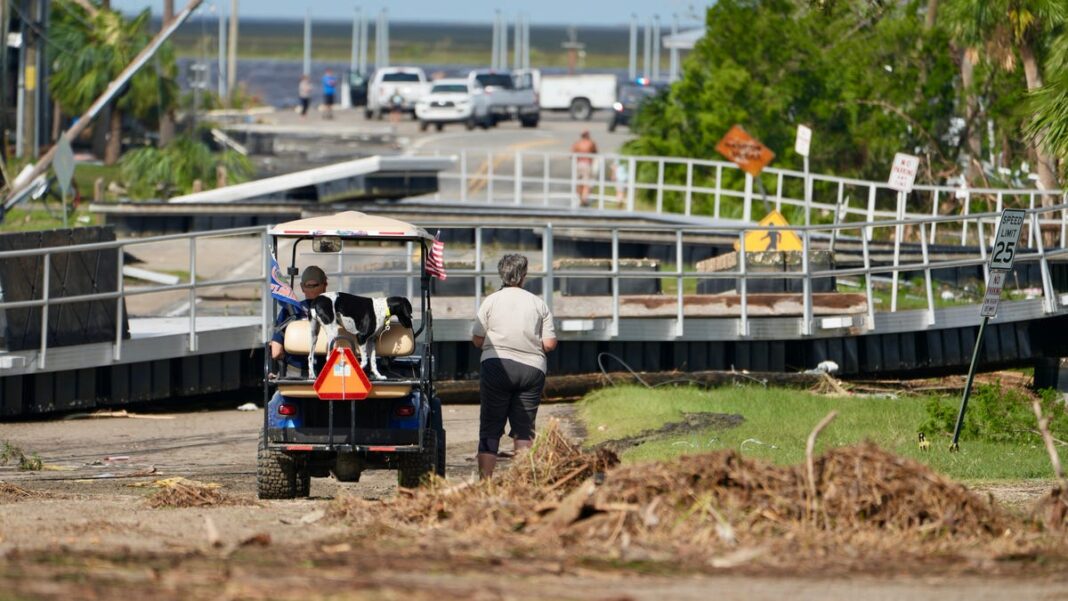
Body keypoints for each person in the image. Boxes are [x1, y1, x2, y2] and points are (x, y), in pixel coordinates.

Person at [471, 254, 557, 479]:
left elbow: (477, 340)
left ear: (501, 274)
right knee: (524, 429)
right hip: (532, 370)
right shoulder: (538, 303)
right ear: (524, 276)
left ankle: (485, 484)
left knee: (490, 427)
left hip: (496, 367)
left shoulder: (491, 300)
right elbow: (549, 344)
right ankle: (522, 482)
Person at [269, 265, 328, 377]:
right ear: (325, 286)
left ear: (302, 287)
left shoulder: (290, 311)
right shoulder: (336, 310)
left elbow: (275, 352)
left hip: (296, 379)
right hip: (330, 375)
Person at [571, 130, 598, 207]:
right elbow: (595, 152)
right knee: (586, 183)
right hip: (587, 164)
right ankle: (584, 199)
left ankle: (581, 198)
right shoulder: (591, 143)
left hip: (578, 164)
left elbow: (572, 153)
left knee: (579, 183)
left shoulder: (577, 143)